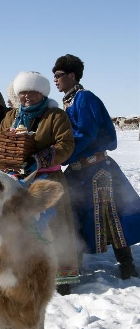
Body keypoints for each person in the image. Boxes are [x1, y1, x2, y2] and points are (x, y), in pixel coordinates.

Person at [52, 54, 140, 280]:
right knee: (73, 213)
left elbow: (87, 133)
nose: (55, 80)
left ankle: (127, 266)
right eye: (54, 75)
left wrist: (62, 153)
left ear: (72, 76)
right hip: (78, 170)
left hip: (98, 169)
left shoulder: (85, 98)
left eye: (59, 75)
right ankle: (73, 264)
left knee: (112, 215)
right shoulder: (69, 101)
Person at [0, 71, 80, 295]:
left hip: (47, 181)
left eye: (31, 92)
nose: (26, 97)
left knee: (55, 226)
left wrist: (40, 159)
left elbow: (66, 145)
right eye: (22, 93)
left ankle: (63, 277)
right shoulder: (11, 115)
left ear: (41, 93)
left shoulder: (55, 116)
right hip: (16, 181)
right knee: (19, 227)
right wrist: (1, 155)